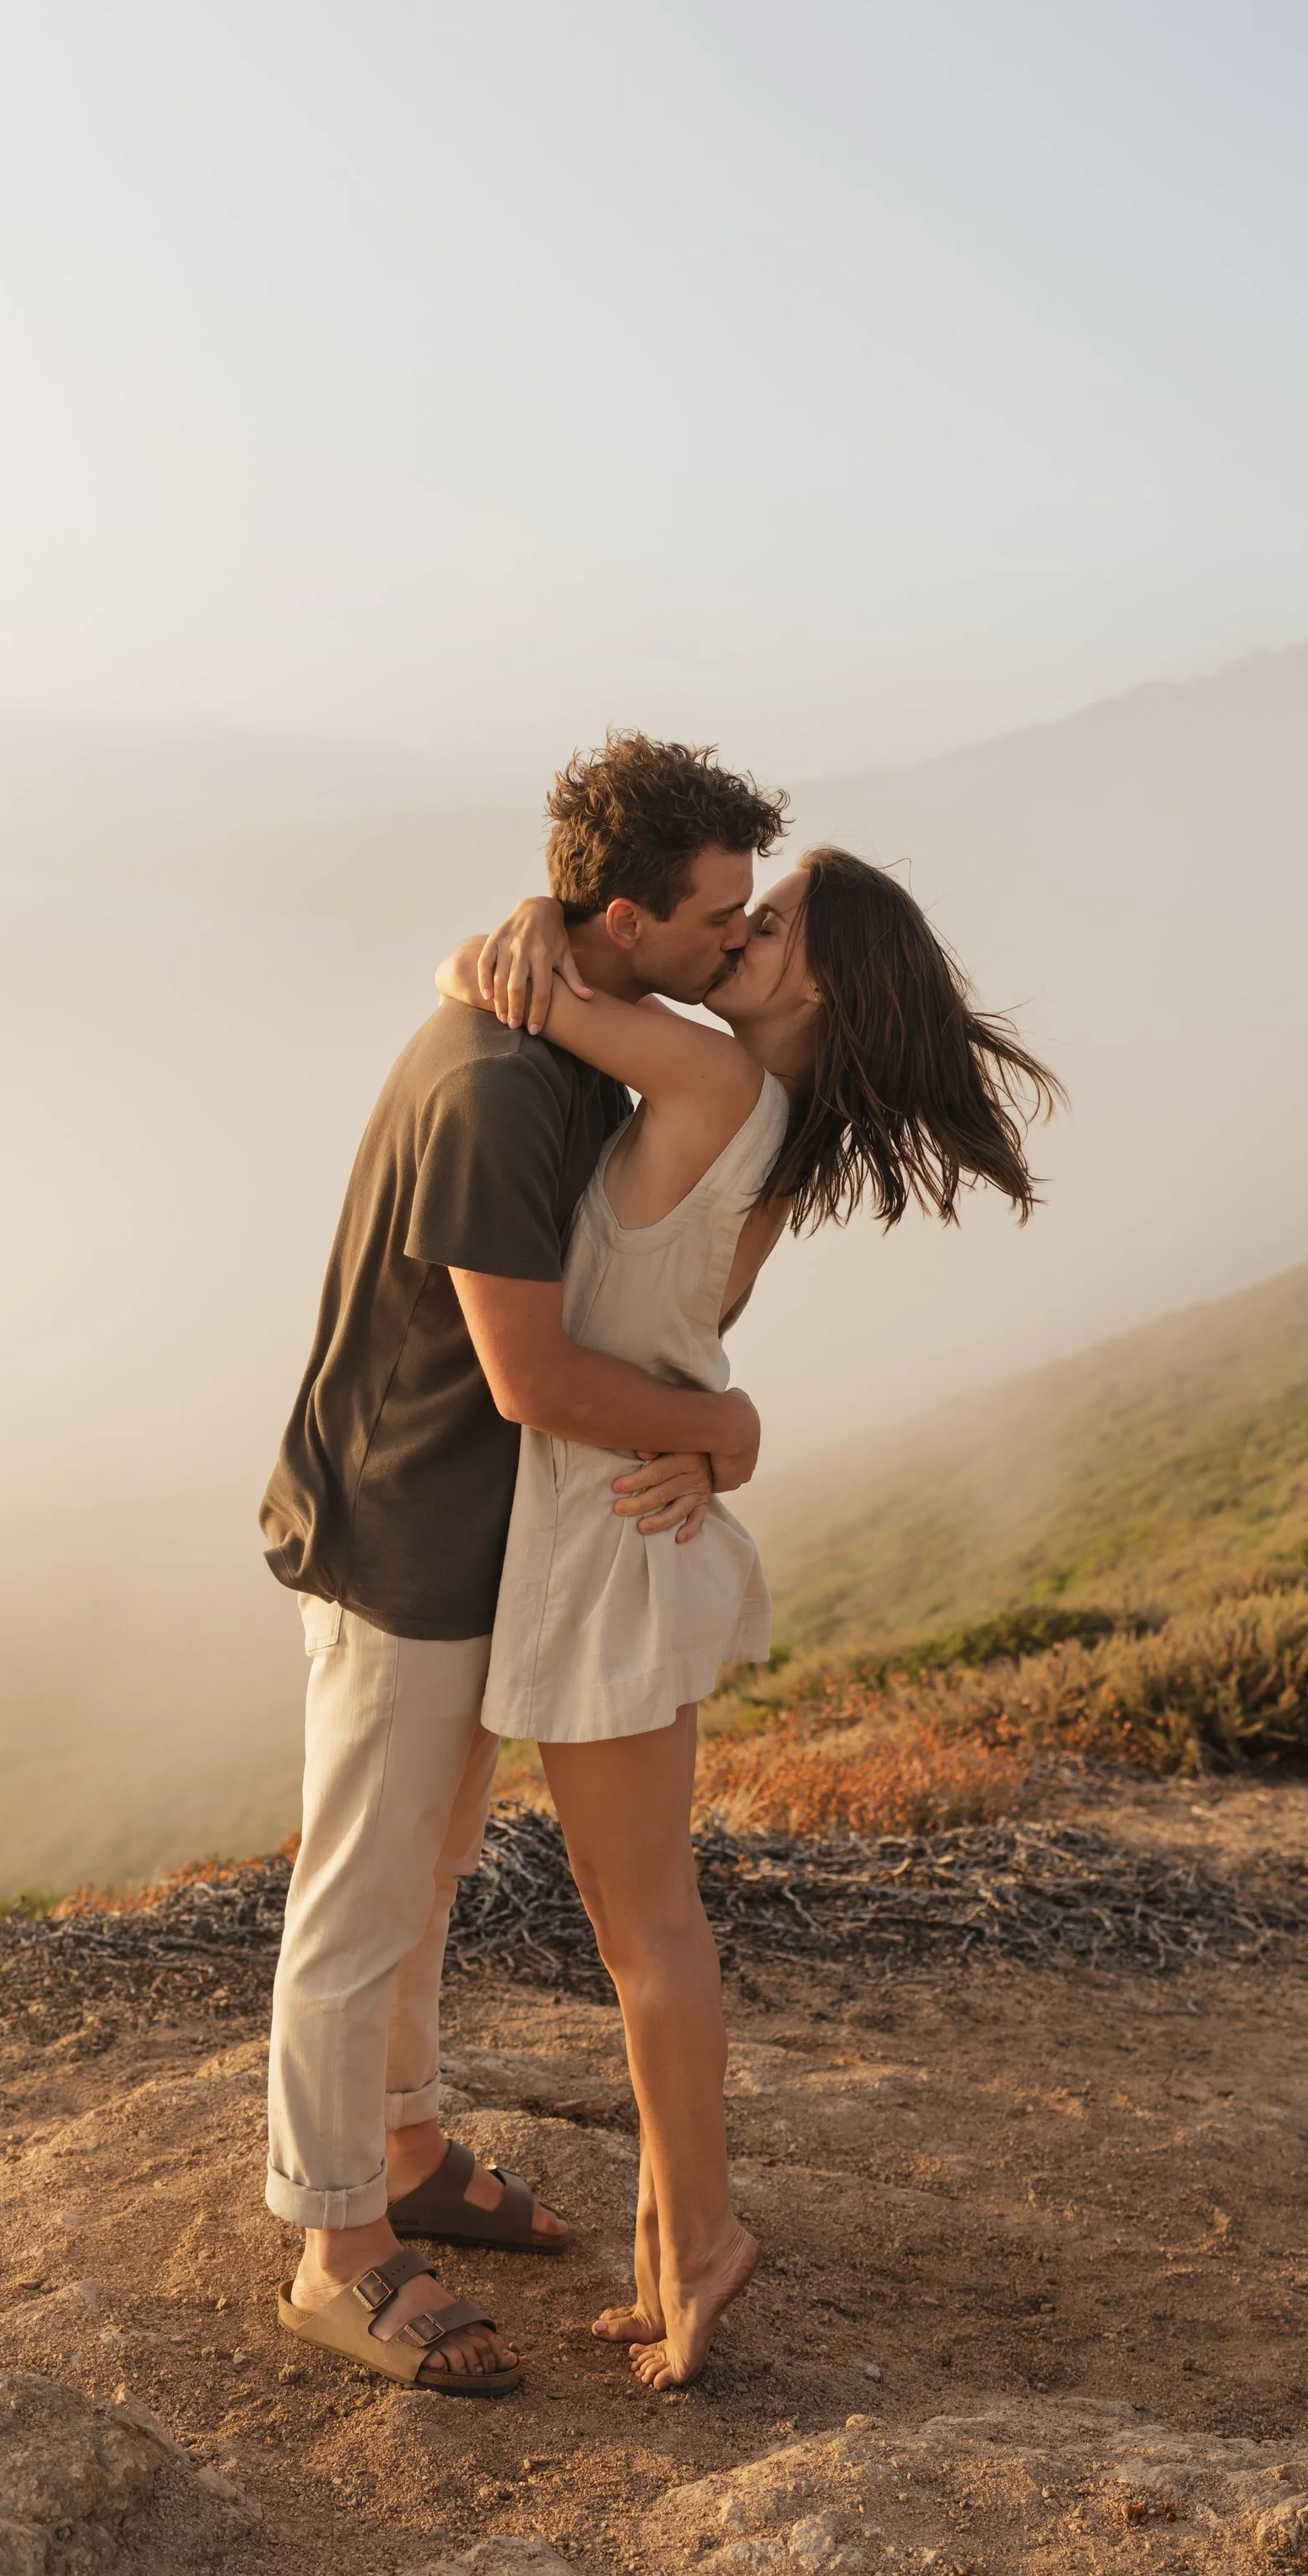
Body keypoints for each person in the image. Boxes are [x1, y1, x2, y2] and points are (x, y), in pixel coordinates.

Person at [436, 841, 1059, 2387]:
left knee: (649, 1933)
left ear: (821, 976)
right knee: (645, 1926)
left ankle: (705, 2243)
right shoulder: (766, 1129)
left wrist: (532, 920)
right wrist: (722, 1436)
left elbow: (488, 984)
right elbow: (690, 1356)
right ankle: (670, 2243)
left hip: (605, 1549)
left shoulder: (717, 1083)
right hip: (627, 1528)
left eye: (767, 922)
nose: (739, 929)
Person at [260, 734, 788, 2396]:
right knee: (357, 1897)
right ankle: (336, 2248)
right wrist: (722, 1430)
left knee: (417, 1877)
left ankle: (403, 2149)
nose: (732, 945)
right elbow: (533, 1380)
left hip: (477, 1533)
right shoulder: (500, 1088)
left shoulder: (568, 1036)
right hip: (405, 1530)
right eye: (717, 919)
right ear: (623, 917)